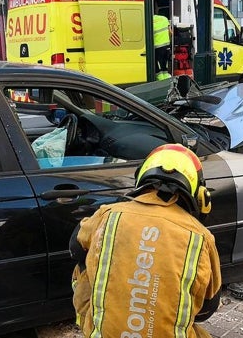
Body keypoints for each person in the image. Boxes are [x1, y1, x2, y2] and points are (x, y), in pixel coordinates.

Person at [69, 143, 222, 338]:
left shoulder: (107, 215)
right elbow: (206, 310)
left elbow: (75, 248)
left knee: (84, 261)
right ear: (200, 195)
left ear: (141, 178)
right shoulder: (201, 238)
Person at [153, 3, 173, 81]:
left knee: (158, 64)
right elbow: (171, 32)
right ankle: (166, 79)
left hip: (157, 46)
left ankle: (160, 80)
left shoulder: (149, 20)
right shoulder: (164, 19)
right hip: (166, 45)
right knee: (165, 63)